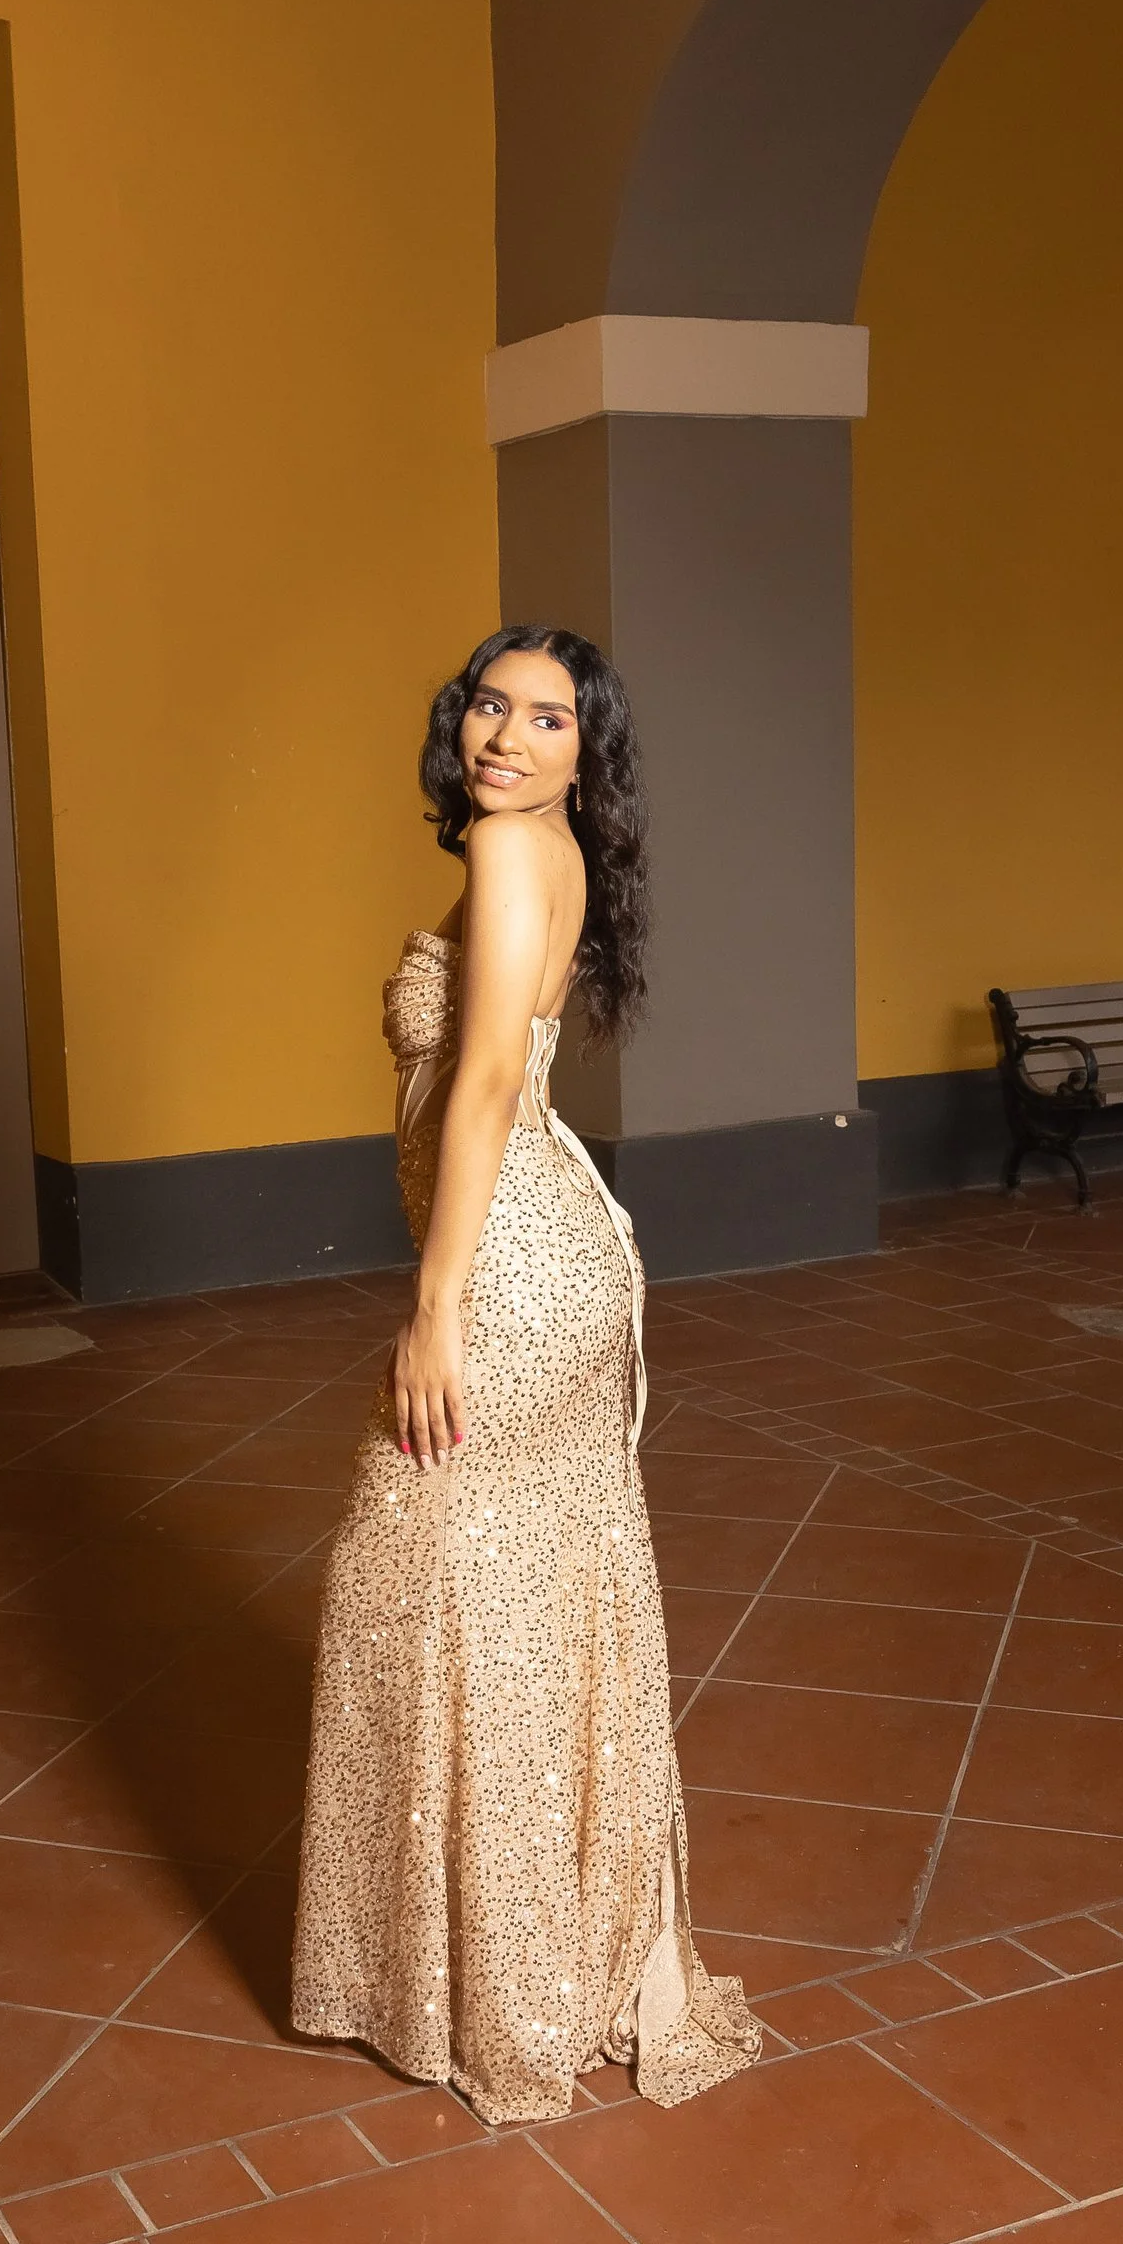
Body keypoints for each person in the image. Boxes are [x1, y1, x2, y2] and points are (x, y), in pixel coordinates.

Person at [291, 624, 761, 2124]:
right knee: (525, 1599)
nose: (506, 735)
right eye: (491, 705)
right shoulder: (531, 849)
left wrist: (435, 1309)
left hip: (510, 1277)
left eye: (547, 718)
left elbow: (490, 1078)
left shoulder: (511, 856)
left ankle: (486, 1976)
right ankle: (526, 1954)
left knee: (402, 1583)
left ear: (585, 750)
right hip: (557, 1263)